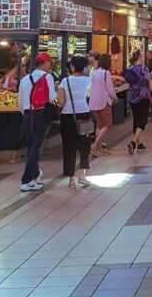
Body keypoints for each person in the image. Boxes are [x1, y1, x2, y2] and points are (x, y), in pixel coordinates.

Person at [18, 52, 57, 192]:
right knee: (36, 146)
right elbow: (52, 97)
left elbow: (20, 102)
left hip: (28, 115)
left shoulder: (25, 79)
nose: (50, 65)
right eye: (49, 63)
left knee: (31, 146)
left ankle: (34, 177)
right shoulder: (48, 77)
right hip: (40, 114)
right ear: (45, 63)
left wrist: (26, 114)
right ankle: (26, 180)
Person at [57, 55, 93, 188]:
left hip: (68, 117)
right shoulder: (90, 81)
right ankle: (82, 174)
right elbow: (91, 98)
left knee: (69, 146)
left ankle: (71, 178)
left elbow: (61, 102)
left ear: (72, 67)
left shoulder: (65, 82)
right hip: (84, 115)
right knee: (85, 145)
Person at [123, 50, 152, 154]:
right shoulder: (144, 69)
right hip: (143, 96)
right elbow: (149, 82)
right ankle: (133, 142)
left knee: (136, 119)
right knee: (143, 120)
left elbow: (126, 81)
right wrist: (151, 92)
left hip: (132, 97)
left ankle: (138, 144)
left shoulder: (129, 69)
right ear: (140, 58)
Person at [89, 54, 117, 157]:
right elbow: (110, 89)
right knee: (107, 125)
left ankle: (99, 149)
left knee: (99, 125)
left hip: (93, 102)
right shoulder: (106, 73)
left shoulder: (94, 72)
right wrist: (114, 97)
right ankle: (95, 145)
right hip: (103, 102)